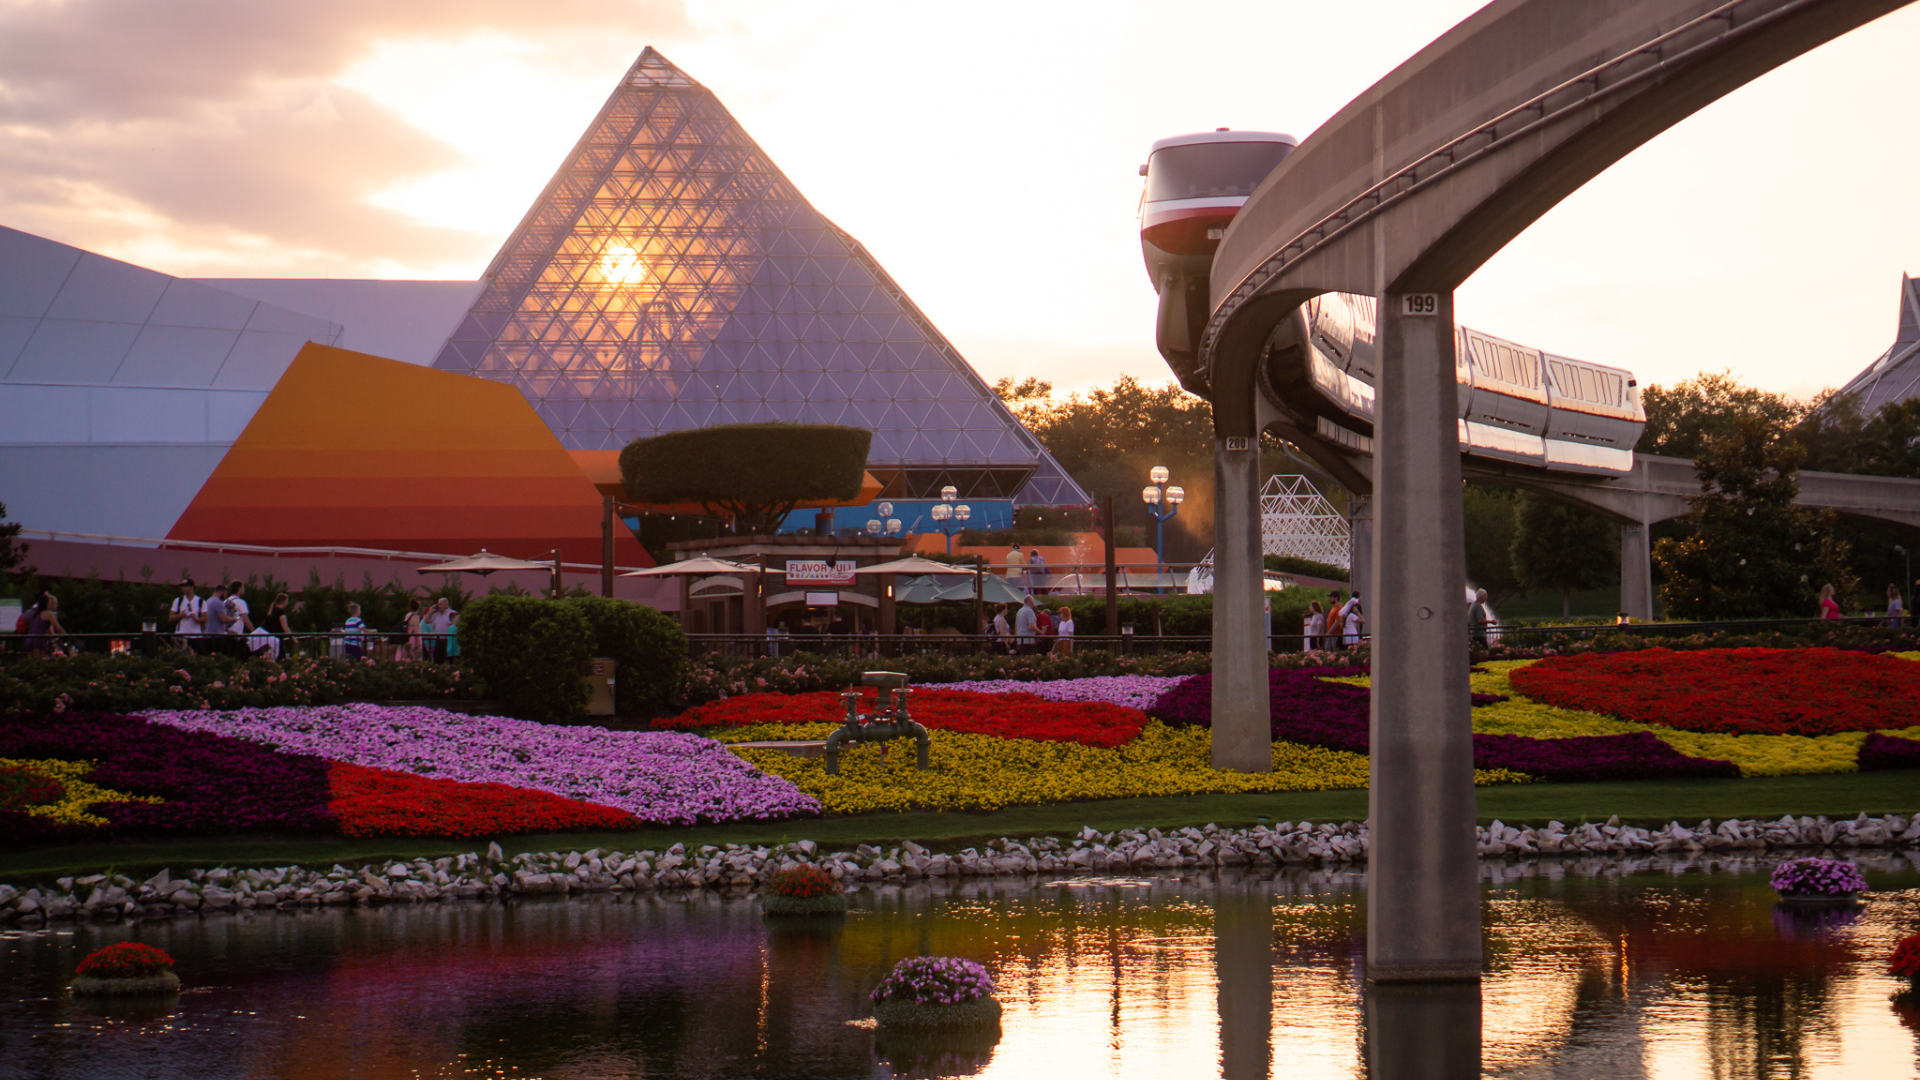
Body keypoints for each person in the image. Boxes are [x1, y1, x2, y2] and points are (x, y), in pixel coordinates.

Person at [23, 592, 64, 658]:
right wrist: (67, 636)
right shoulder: (48, 614)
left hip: (30, 638)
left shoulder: (35, 613)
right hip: (38, 640)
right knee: (39, 662)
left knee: (31, 663)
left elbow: (46, 628)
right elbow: (58, 627)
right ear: (47, 603)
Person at [169, 580, 205, 653]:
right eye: (182, 587)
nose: (183, 588)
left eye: (185, 586)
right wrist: (181, 615)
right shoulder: (178, 600)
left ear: (192, 587)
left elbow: (205, 618)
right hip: (181, 635)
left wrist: (196, 619)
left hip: (196, 636)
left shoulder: (200, 601)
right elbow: (171, 618)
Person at [204, 583, 237, 657]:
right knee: (221, 657)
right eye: (225, 594)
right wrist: (234, 619)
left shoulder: (208, 601)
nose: (225, 596)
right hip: (217, 636)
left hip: (208, 634)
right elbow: (223, 619)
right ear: (221, 593)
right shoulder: (218, 602)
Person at [424, 597, 456, 661]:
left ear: (446, 605)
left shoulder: (452, 614)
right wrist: (430, 611)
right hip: (438, 640)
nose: (439, 606)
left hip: (447, 640)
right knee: (437, 659)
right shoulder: (436, 615)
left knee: (447, 659)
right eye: (438, 604)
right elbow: (426, 621)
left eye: (441, 604)